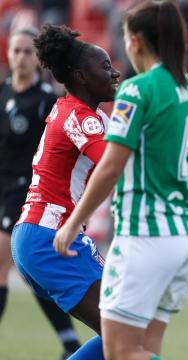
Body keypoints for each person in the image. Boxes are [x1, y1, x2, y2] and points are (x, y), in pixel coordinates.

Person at [53, 1, 188, 359]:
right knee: (146, 346)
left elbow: (111, 166)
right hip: (183, 236)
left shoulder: (138, 91)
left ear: (135, 41)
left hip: (145, 236)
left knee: (121, 351)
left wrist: (73, 223)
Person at [10, 24, 121, 359]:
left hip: (38, 235)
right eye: (104, 66)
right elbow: (112, 165)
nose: (114, 72)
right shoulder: (83, 118)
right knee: (126, 333)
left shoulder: (72, 108)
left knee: (123, 333)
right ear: (80, 76)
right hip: (52, 236)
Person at [0, 26, 82, 359]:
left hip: (25, 191)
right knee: (31, 275)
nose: (20, 57)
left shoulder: (47, 101)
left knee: (1, 263)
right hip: (2, 186)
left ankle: (69, 341)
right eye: (15, 50)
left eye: (27, 51)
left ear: (39, 59)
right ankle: (69, 342)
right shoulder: (2, 92)